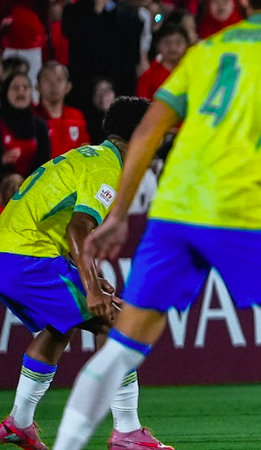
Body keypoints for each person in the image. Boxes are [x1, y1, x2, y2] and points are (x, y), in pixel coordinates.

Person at [50, 6, 261, 450]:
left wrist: (120, 213)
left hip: (172, 210)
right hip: (234, 211)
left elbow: (148, 129)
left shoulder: (206, 49)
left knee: (124, 346)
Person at [0, 97, 172, 450]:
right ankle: (127, 432)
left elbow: (60, 220)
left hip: (13, 255)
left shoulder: (89, 156)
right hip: (28, 257)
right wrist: (91, 289)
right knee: (117, 322)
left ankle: (19, 423)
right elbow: (79, 228)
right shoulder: (107, 168)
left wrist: (89, 274)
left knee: (59, 327)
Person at [34, 62, 91, 158]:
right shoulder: (32, 116)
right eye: (47, 79)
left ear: (68, 87)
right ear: (37, 86)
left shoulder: (76, 116)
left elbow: (84, 148)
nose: (53, 85)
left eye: (59, 79)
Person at [1, 73, 51, 178]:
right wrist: (2, 160)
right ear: (5, 92)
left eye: (25, 87)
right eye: (15, 87)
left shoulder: (40, 125)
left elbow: (45, 163)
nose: (21, 91)